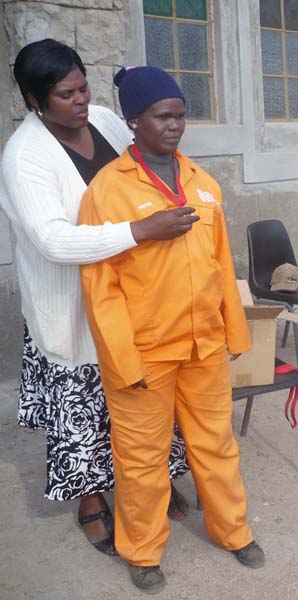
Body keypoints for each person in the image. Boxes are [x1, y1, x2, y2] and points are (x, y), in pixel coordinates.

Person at [0, 39, 194, 558]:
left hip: (136, 294)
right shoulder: (24, 156)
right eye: (65, 94)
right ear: (34, 99)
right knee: (85, 405)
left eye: (83, 87)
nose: (81, 100)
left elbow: (150, 164)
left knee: (145, 395)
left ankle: (150, 481)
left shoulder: (107, 122)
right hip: (71, 304)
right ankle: (91, 501)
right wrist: (140, 230)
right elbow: (53, 240)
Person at [78, 66, 264, 593]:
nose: (174, 125)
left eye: (180, 115)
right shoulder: (107, 191)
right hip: (144, 354)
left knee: (216, 444)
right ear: (134, 120)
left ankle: (233, 531)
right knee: (141, 460)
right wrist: (123, 360)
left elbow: (221, 263)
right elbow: (100, 286)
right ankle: (142, 552)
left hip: (203, 346)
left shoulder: (203, 183)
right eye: (162, 116)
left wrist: (235, 334)